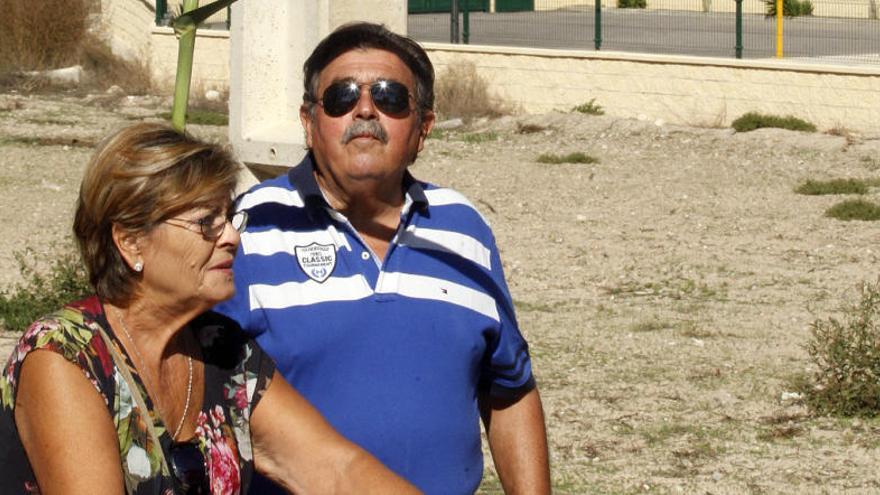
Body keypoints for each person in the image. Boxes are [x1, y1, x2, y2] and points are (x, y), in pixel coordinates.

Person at [216, 22, 551, 494]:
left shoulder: (464, 227)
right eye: (341, 96)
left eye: (391, 97)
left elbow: (510, 387)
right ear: (309, 122)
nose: (366, 109)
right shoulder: (251, 225)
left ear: (423, 128)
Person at [0, 123, 419, 494]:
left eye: (231, 217)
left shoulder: (221, 347)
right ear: (130, 242)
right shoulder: (66, 356)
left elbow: (336, 469)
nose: (232, 237)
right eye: (207, 223)